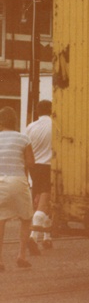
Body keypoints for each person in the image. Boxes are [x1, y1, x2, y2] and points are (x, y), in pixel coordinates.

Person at [0, 106, 35, 270]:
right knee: (26, 218)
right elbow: (31, 163)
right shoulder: (23, 139)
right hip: (18, 180)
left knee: (1, 220)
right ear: (15, 122)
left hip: (0, 181)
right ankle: (21, 255)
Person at [26, 100, 53, 250]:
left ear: (38, 111)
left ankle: (47, 238)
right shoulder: (54, 126)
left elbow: (26, 147)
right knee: (46, 200)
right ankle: (33, 236)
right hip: (48, 167)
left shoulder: (30, 127)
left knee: (40, 199)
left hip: (34, 168)